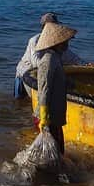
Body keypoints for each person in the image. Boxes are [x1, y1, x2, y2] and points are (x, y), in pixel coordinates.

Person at [15, 13, 89, 99]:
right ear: (44, 27)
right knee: (19, 101)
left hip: (40, 74)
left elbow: (72, 57)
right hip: (24, 73)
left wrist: (85, 64)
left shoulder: (58, 43)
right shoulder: (35, 41)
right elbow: (36, 63)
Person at [34, 23, 78, 154]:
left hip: (54, 116)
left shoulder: (56, 58)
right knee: (53, 152)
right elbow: (44, 89)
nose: (67, 43)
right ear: (58, 43)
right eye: (65, 41)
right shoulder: (48, 60)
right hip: (48, 117)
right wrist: (43, 117)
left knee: (56, 152)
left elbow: (58, 81)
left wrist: (75, 85)